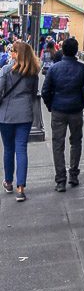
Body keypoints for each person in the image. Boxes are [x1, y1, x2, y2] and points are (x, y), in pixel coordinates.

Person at [41, 37, 84, 192]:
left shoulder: (54, 68)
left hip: (58, 109)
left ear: (62, 50)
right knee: (76, 142)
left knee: (58, 144)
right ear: (76, 51)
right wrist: (82, 103)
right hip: (76, 110)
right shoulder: (83, 69)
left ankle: (60, 180)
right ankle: (74, 175)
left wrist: (51, 105)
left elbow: (45, 91)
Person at [0, 41, 40, 202]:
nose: (10, 54)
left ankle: (8, 182)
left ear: (17, 54)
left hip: (6, 115)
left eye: (13, 51)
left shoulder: (6, 70)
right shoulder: (33, 71)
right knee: (21, 149)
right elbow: (33, 93)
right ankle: (20, 188)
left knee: (8, 149)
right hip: (25, 114)